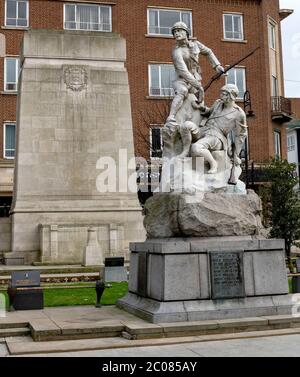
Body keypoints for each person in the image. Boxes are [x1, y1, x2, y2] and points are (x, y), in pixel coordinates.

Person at [179, 84, 247, 174]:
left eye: (223, 94)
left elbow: (240, 135)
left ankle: (213, 163)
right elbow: (210, 112)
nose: (221, 96)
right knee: (186, 125)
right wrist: (201, 108)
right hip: (205, 129)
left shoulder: (239, 114)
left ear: (231, 95)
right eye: (221, 94)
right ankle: (185, 151)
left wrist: (236, 155)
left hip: (217, 137)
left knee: (196, 148)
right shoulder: (218, 103)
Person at [167, 21, 224, 123]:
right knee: (182, 91)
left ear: (186, 33)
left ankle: (202, 124)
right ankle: (171, 116)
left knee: (199, 103)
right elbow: (183, 71)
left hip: (195, 78)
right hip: (181, 80)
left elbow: (208, 52)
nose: (176, 33)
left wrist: (217, 66)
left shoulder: (196, 45)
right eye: (174, 32)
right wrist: (198, 86)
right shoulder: (176, 52)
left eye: (179, 31)